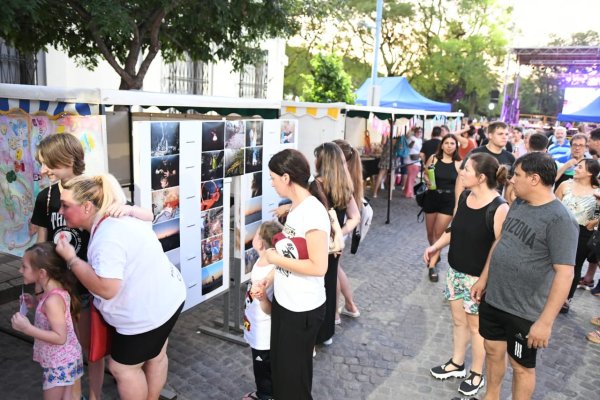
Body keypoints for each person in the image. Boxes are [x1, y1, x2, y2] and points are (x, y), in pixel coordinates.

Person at [31, 133, 152, 400]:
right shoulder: (45, 197)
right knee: (66, 345)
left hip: (88, 286)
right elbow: (41, 245)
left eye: (47, 163)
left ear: (66, 159)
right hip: (57, 289)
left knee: (92, 348)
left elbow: (147, 216)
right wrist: (39, 288)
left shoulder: (96, 190)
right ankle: (75, 395)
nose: (42, 170)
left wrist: (127, 209)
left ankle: (94, 395)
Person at [54, 173, 186, 400]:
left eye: (66, 206)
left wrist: (72, 259)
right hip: (169, 298)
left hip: (147, 315)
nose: (60, 212)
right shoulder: (118, 217)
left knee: (122, 368)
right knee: (156, 354)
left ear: (86, 207)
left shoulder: (107, 236)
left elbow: (106, 288)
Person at [471, 152, 578, 400]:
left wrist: (545, 322)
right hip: (494, 298)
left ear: (534, 179)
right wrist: (484, 278)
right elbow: (501, 241)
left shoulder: (561, 220)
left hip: (524, 312)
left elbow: (565, 273)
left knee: (522, 367)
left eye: (517, 175)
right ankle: (492, 396)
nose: (511, 181)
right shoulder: (518, 203)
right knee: (492, 350)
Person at [424, 153, 509, 397]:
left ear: (481, 177)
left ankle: (477, 374)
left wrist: (483, 280)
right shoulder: (465, 196)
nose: (461, 173)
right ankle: (457, 364)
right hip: (455, 271)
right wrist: (435, 246)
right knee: (458, 321)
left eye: (466, 170)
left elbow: (499, 248)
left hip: (477, 279)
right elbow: (453, 228)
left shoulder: (499, 207)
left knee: (477, 329)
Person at [264, 149, 330, 400]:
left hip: (302, 308)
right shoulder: (297, 207)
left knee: (294, 380)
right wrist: (272, 275)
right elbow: (294, 254)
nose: (271, 183)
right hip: (287, 302)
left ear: (286, 177)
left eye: (273, 177)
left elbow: (318, 266)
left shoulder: (312, 212)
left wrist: (274, 259)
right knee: (282, 372)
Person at [11, 242, 84, 400]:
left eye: (24, 267)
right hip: (66, 359)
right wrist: (35, 303)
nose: (20, 270)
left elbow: (60, 337)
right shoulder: (52, 292)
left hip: (59, 364)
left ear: (42, 273)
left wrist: (27, 329)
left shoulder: (52, 300)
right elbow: (53, 315)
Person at [313, 142, 360, 346]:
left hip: (317, 244)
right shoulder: (343, 187)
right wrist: (339, 232)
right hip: (335, 247)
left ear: (323, 161)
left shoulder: (314, 185)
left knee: (315, 286)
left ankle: (314, 333)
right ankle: (327, 333)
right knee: (330, 283)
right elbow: (354, 217)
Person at [242, 221, 283, 400]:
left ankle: (264, 395)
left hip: (263, 333)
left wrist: (263, 298)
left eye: (256, 234)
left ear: (260, 243)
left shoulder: (266, 272)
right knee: (265, 368)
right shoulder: (263, 262)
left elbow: (269, 309)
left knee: (263, 370)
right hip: (256, 327)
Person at [555, 159, 600, 313]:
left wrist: (594, 221)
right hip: (559, 230)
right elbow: (553, 205)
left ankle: (565, 299)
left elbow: (596, 218)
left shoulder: (597, 191)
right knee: (551, 262)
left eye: (580, 167)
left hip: (583, 234)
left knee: (574, 266)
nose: (576, 168)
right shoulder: (565, 185)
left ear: (590, 173)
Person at [333, 139, 365, 322]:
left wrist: (338, 232)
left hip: (339, 230)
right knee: (337, 270)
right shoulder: (351, 174)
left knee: (334, 273)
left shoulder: (341, 179)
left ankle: (336, 313)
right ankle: (350, 305)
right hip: (343, 231)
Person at [423, 134, 462, 282]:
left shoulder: (459, 163)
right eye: (447, 143)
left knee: (438, 234)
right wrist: (427, 180)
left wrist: (458, 205)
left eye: (453, 143)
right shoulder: (433, 158)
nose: (450, 146)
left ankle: (432, 266)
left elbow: (461, 186)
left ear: (456, 146)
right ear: (442, 145)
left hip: (448, 200)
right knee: (430, 233)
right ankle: (434, 253)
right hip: (432, 197)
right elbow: (426, 172)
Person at [456, 121, 515, 203]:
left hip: (495, 204)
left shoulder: (510, 158)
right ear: (490, 135)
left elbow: (509, 185)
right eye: (500, 134)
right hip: (471, 200)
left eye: (506, 134)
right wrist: (457, 204)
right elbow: (461, 177)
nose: (504, 137)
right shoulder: (475, 153)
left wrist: (507, 205)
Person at [403, 127, 423, 198]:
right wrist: (413, 141)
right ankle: (409, 193)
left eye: (420, 132)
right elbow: (409, 146)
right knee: (411, 177)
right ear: (415, 132)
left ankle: (407, 191)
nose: (419, 133)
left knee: (411, 177)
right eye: (418, 132)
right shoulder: (411, 138)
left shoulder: (420, 140)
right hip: (411, 160)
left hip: (417, 160)